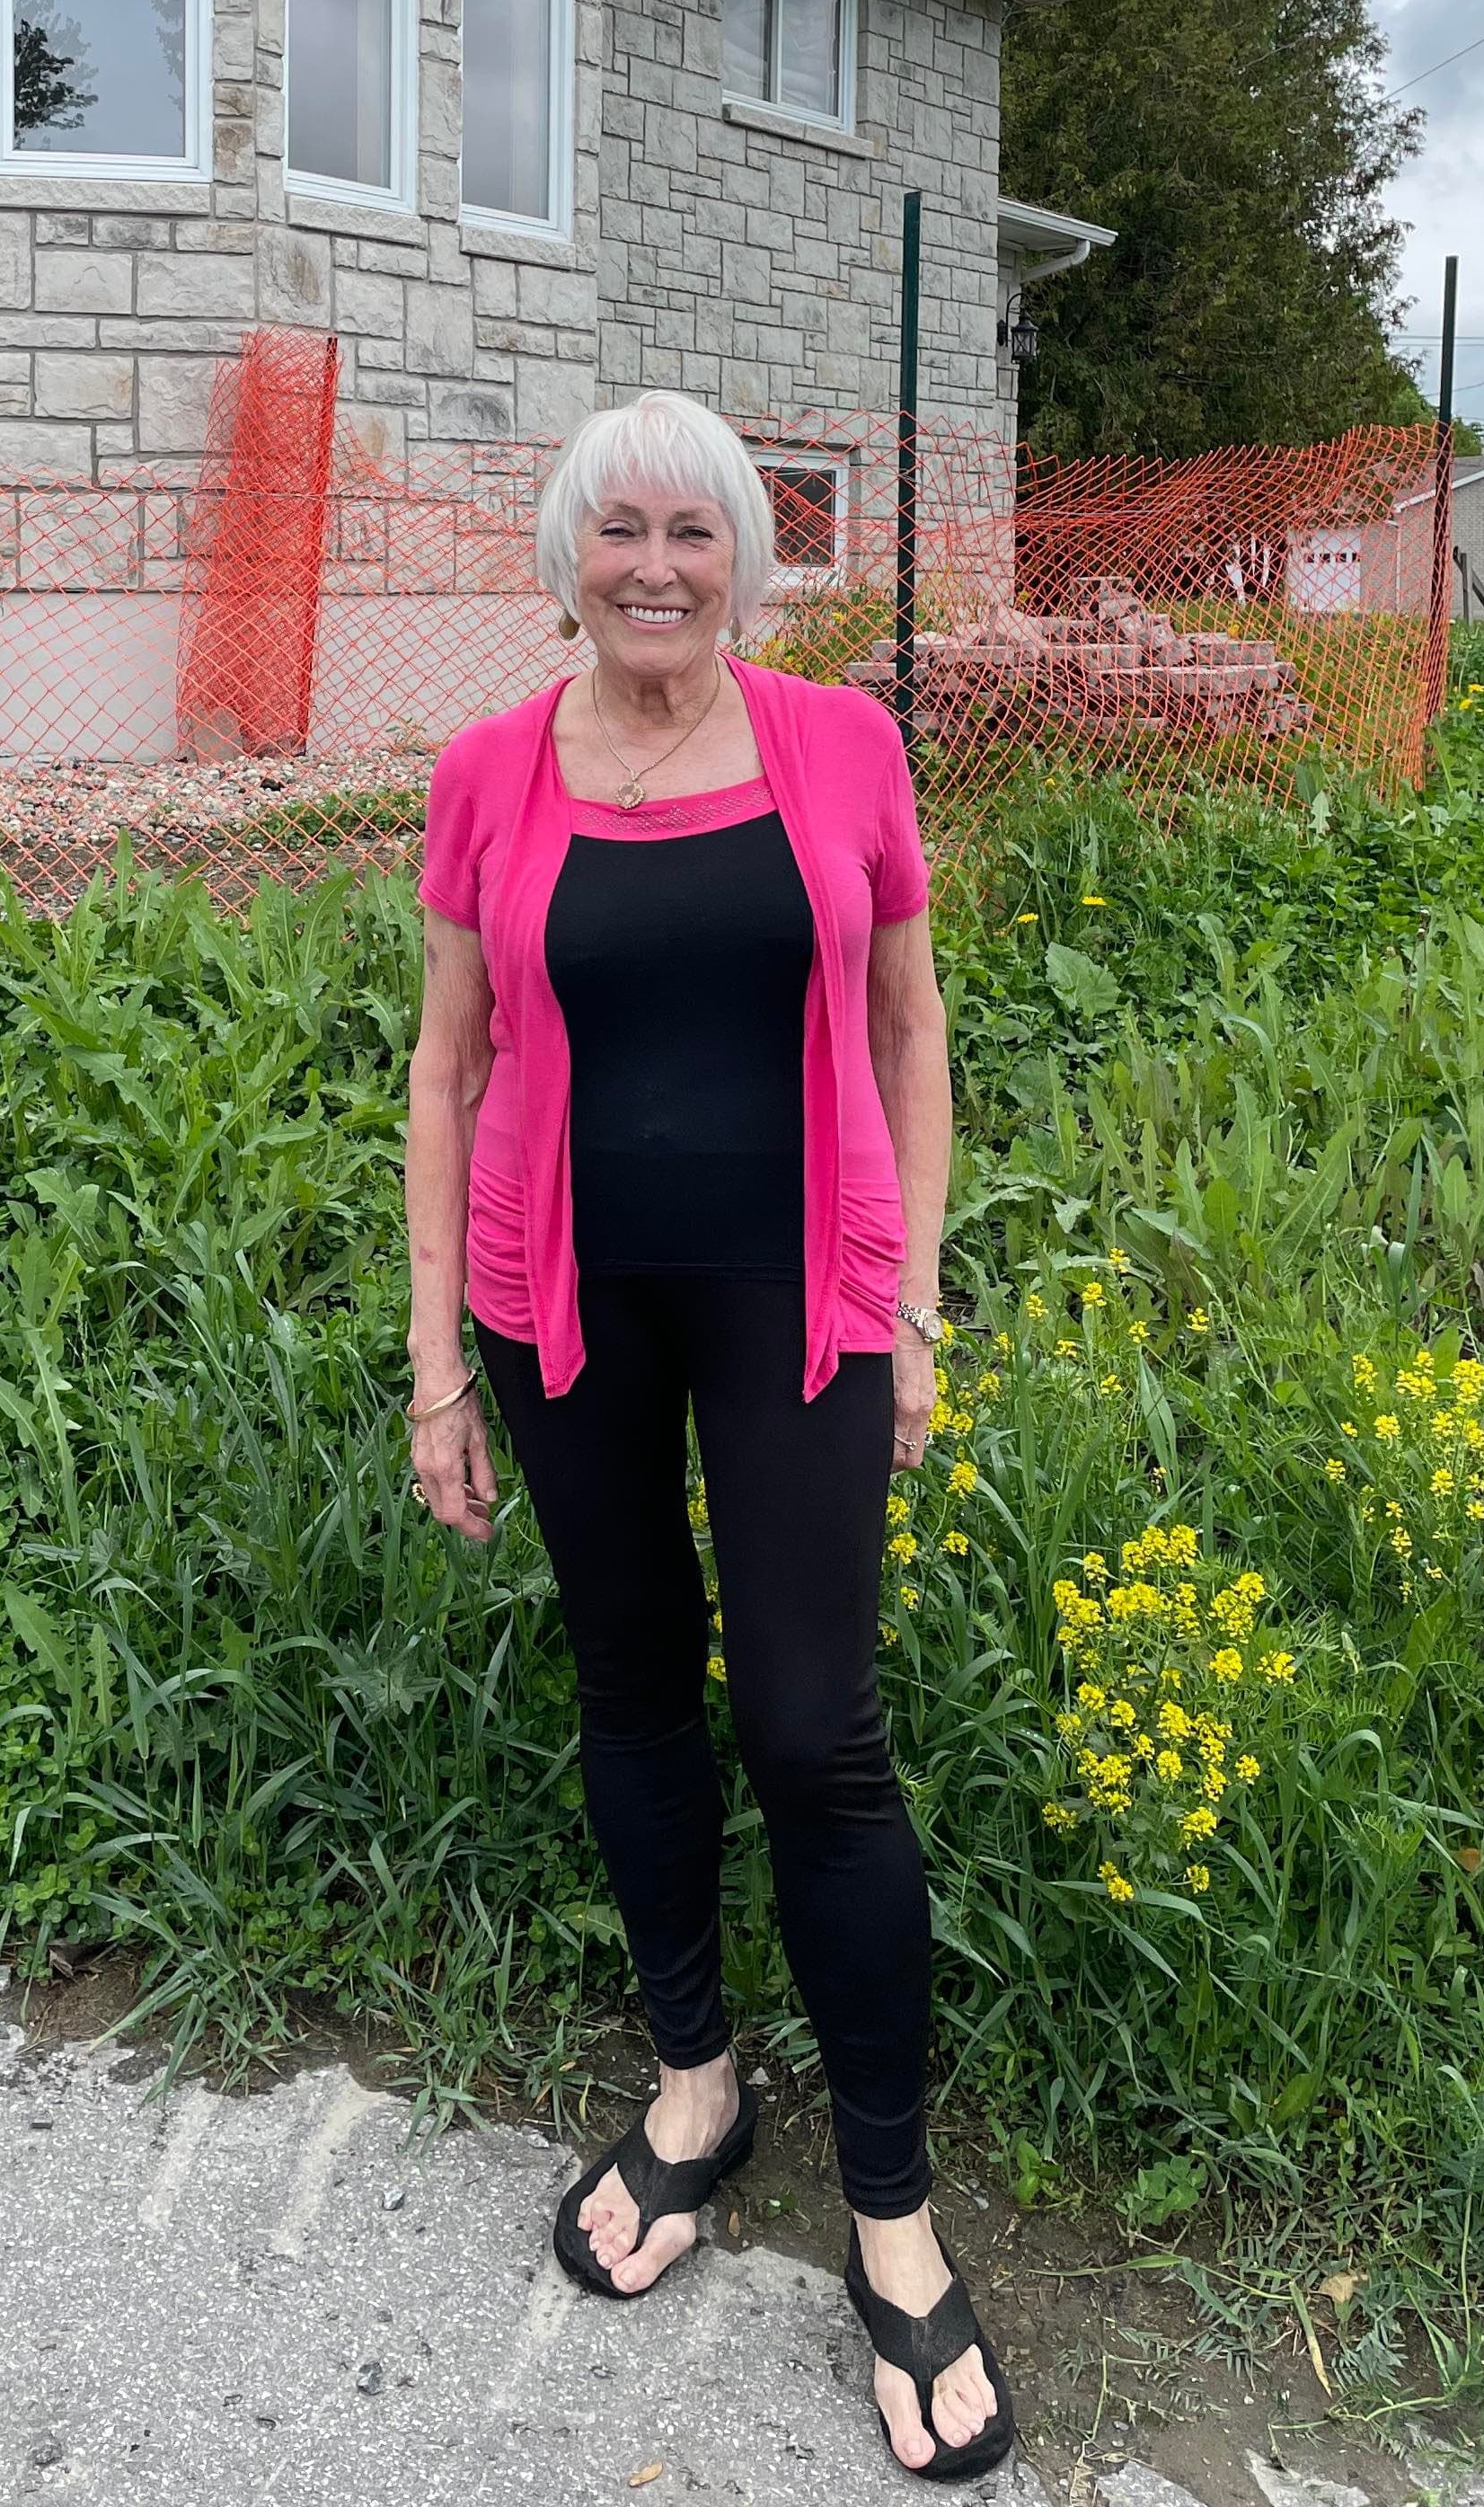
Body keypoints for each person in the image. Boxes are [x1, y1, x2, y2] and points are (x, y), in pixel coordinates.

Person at [403, 389, 1013, 2482]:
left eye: (695, 530)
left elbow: (914, 1027)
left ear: (748, 559)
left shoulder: (843, 746)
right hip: (561, 1298)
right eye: (621, 528)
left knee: (814, 1735)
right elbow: (447, 1065)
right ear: (567, 555)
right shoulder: (489, 772)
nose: (655, 565)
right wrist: (434, 1361)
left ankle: (892, 2212)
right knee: (636, 1690)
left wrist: (911, 1302)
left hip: (800, 1292)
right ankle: (695, 2085)